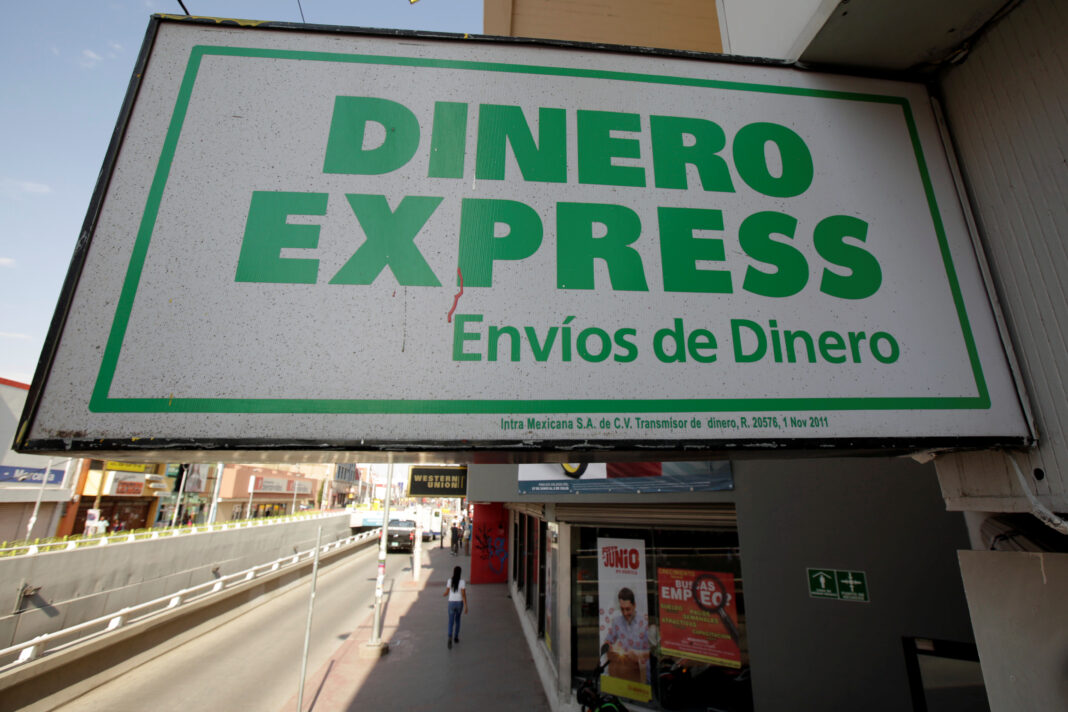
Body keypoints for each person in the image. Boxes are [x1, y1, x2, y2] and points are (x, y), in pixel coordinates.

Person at [604, 587, 650, 683]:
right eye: (622, 609)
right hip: (624, 671)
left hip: (641, 674)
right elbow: (608, 641)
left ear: (634, 605)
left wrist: (639, 655)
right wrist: (609, 647)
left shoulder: (645, 623)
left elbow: (654, 652)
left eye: (628, 609)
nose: (625, 613)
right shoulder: (617, 622)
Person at [443, 565, 468, 649]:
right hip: (459, 603)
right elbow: (463, 595)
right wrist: (465, 606)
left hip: (451, 603)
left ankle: (450, 636)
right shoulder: (462, 582)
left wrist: (444, 594)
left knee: (450, 621)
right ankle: (456, 637)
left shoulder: (450, 581)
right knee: (457, 620)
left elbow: (446, 592)